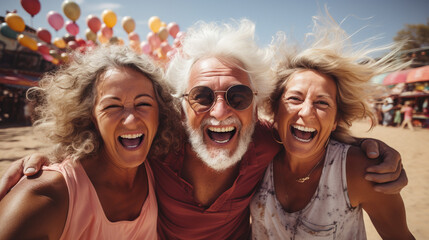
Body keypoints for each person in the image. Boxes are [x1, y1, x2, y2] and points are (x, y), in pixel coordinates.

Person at [0, 20, 407, 240]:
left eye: (237, 96)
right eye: (201, 96)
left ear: (256, 104)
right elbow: (108, 145)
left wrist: (366, 145)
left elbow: (305, 128)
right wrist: (50, 160)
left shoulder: (265, 141)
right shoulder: (156, 145)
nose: (220, 111)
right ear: (179, 106)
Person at [250, 12, 414, 239]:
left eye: (322, 103)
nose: (306, 112)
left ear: (336, 119)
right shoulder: (257, 157)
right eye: (295, 99)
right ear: (275, 110)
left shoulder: (360, 171)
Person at [0, 45, 182, 239]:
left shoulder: (162, 174)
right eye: (112, 106)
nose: (130, 120)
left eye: (143, 104)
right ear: (89, 116)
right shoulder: (43, 195)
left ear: (161, 113)